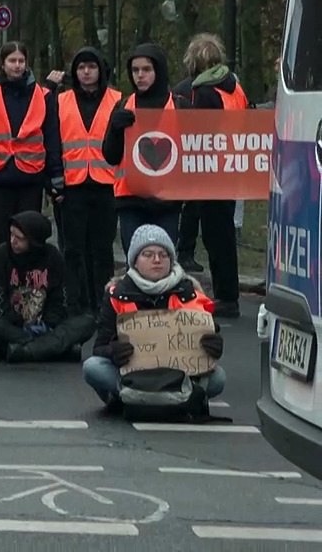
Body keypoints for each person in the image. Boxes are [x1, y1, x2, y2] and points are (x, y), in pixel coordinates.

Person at [83, 224, 225, 410]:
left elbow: (209, 339)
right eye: (148, 255)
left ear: (171, 260)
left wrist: (214, 346)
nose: (156, 260)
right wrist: (114, 351)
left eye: (163, 255)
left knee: (219, 378)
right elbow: (99, 349)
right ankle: (149, 397)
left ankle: (141, 400)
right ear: (134, 261)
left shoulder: (191, 292)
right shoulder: (116, 294)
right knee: (93, 367)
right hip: (134, 376)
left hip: (179, 376)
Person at [0, 41, 64, 271]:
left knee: (29, 240)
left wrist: (56, 176)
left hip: (31, 180)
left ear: (27, 64)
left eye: (21, 61)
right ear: (2, 65)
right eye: (12, 61)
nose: (17, 65)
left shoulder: (42, 97)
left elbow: (52, 137)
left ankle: (29, 289)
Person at [179, 34, 247, 319]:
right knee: (224, 233)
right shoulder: (234, 87)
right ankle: (227, 293)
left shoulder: (204, 92)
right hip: (232, 166)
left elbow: (199, 132)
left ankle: (226, 296)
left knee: (215, 235)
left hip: (211, 169)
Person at [101, 43, 191, 251]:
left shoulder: (180, 106)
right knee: (135, 264)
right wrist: (115, 129)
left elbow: (195, 154)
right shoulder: (123, 106)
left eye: (146, 69)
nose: (140, 75)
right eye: (135, 70)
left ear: (159, 71)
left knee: (163, 264)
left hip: (168, 203)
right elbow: (111, 156)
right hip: (130, 202)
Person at [0, 211, 95, 362]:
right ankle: (52, 349)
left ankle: (25, 351)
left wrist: (48, 323)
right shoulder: (3, 254)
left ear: (34, 241)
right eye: (11, 235)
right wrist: (20, 326)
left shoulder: (52, 256)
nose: (13, 241)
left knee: (87, 322)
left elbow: (62, 299)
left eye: (19, 238)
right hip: (13, 328)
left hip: (46, 327)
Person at [56, 47, 121, 313]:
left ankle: (102, 303)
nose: (86, 72)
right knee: (73, 250)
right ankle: (76, 305)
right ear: (74, 72)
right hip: (72, 187)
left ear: (100, 70)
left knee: (102, 250)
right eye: (81, 67)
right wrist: (55, 181)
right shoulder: (61, 101)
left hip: (107, 185)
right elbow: (53, 142)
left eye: (91, 67)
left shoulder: (118, 100)